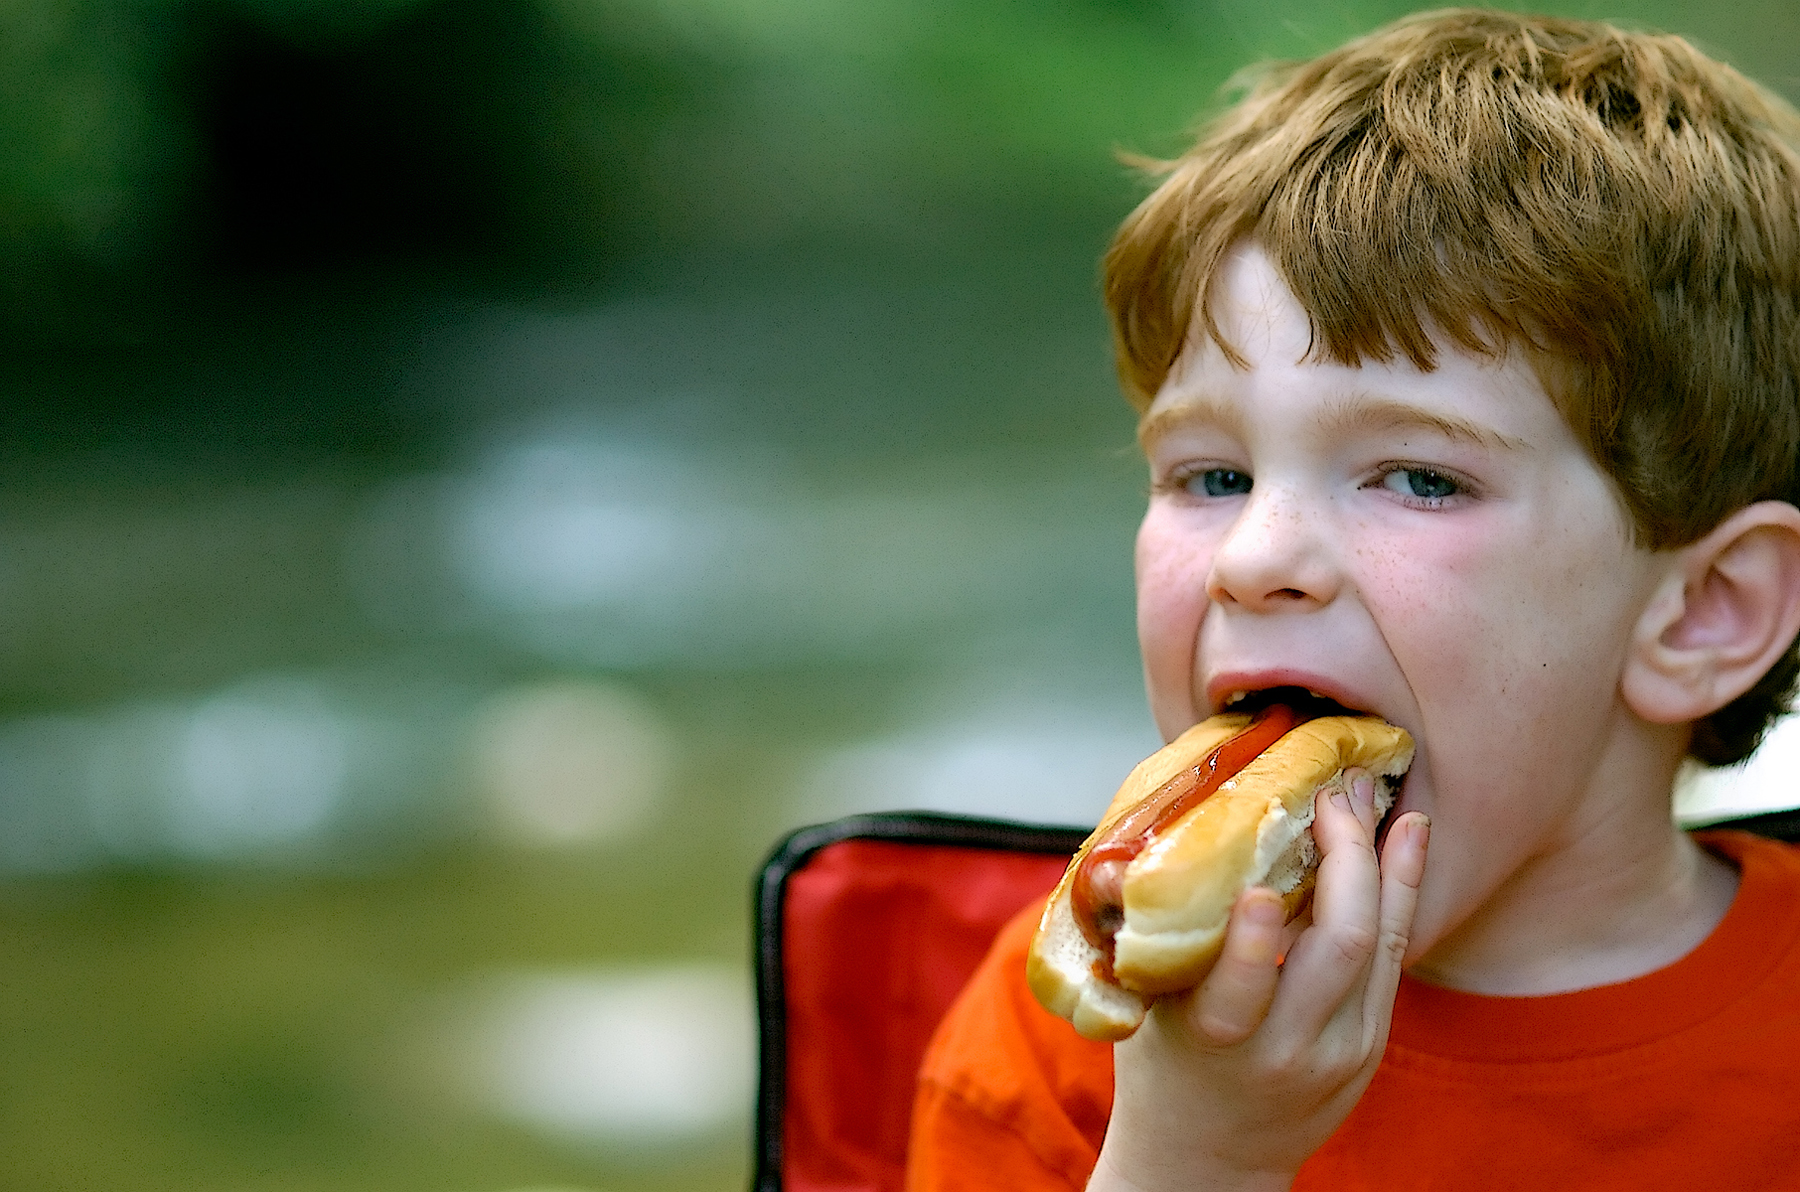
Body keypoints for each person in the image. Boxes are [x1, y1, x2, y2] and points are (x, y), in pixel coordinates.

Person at [904, 9, 1800, 1190]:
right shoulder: (1064, 1042)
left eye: (1421, 478)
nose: (1255, 554)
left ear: (1703, 614)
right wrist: (1191, 1159)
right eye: (1211, 475)